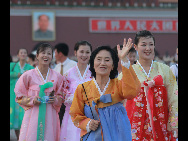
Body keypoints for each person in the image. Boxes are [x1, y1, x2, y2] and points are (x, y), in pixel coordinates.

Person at [70, 39, 141, 141]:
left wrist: (124, 60)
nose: (102, 63)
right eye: (98, 59)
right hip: (93, 136)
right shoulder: (83, 89)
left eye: (107, 60)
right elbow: (75, 114)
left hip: (118, 135)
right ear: (93, 64)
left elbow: (132, 92)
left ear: (113, 66)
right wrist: (87, 123)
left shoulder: (119, 84)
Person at [118, 30, 178, 141]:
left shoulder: (164, 70)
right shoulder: (129, 71)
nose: (148, 48)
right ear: (135, 47)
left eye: (151, 44)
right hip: (134, 126)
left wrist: (174, 122)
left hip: (161, 124)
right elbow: (119, 97)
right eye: (144, 45)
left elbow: (174, 97)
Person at [14, 43, 67, 141]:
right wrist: (32, 100)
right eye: (43, 53)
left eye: (49, 53)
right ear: (37, 56)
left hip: (50, 116)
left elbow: (62, 95)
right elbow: (19, 96)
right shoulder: (28, 75)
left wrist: (55, 99)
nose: (46, 55)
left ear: (52, 57)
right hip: (33, 115)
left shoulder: (57, 77)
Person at [60, 40, 93, 141]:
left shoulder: (95, 74)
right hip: (72, 116)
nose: (84, 55)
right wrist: (79, 99)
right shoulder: (68, 74)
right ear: (75, 53)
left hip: (90, 116)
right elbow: (63, 95)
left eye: (87, 52)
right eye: (81, 52)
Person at [10, 48, 34, 140]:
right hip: (13, 95)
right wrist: (17, 74)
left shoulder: (30, 68)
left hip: (25, 96)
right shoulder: (12, 65)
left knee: (23, 117)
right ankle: (18, 138)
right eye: (21, 52)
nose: (23, 54)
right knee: (15, 118)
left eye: (25, 52)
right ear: (18, 55)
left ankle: (22, 137)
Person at [53, 42, 77, 126]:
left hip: (70, 100)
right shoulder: (57, 67)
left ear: (60, 53)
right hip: (59, 100)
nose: (54, 55)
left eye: (55, 52)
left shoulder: (74, 65)